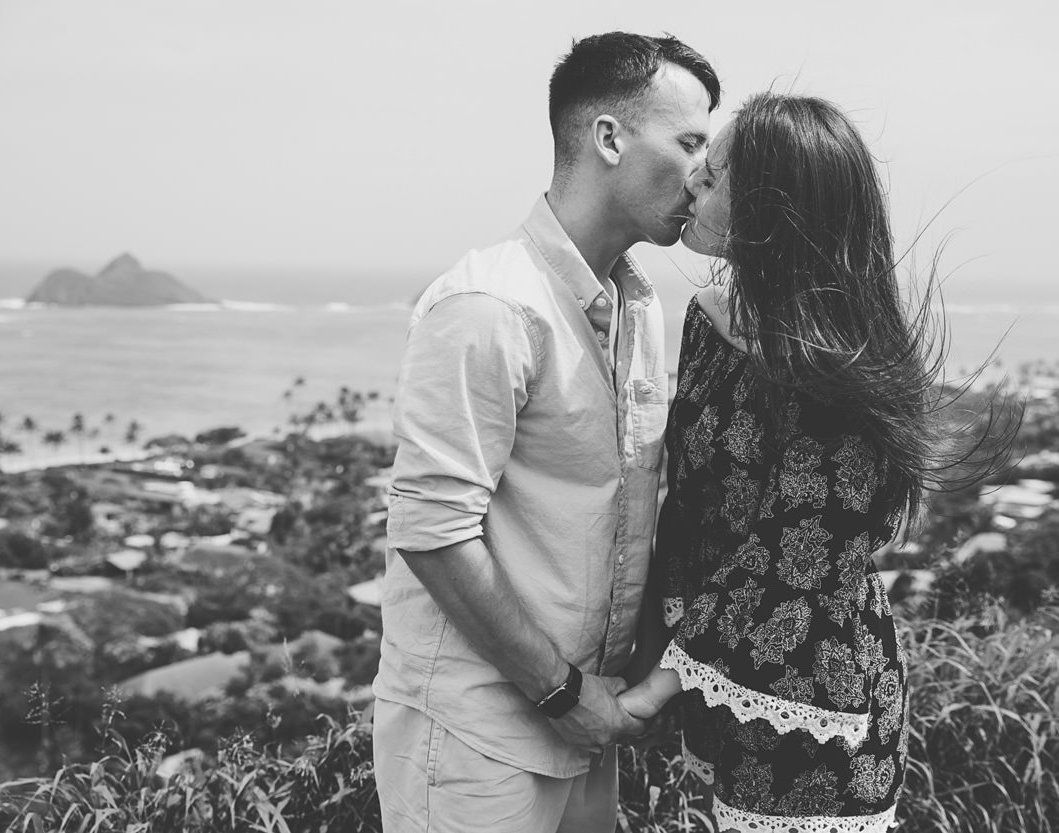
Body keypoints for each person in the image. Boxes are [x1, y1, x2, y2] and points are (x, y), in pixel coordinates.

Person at [371, 32, 720, 833]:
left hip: (586, 728)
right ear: (608, 137)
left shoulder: (638, 305)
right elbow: (430, 530)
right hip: (478, 738)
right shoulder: (491, 307)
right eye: (691, 141)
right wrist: (561, 692)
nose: (704, 171)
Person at [620, 93, 957, 832]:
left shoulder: (838, 363)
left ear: (770, 208)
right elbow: (691, 503)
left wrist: (651, 689)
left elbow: (797, 557)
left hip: (815, 700)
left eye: (712, 180)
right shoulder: (708, 319)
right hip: (719, 679)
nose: (692, 188)